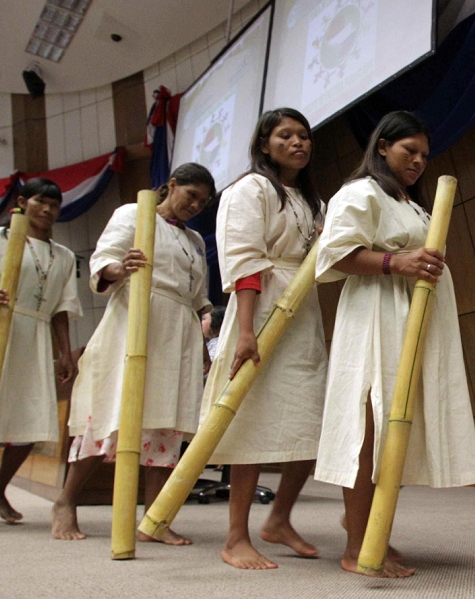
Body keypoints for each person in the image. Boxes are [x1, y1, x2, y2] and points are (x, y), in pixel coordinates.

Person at [315, 111, 475, 578]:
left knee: (399, 427)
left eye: (425, 155)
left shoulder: (413, 204)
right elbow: (339, 255)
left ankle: (375, 530)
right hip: (375, 313)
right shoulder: (359, 192)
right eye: (409, 151)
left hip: (413, 316)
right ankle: (356, 545)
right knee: (368, 425)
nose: (418, 161)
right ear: (382, 146)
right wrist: (397, 262)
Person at [51, 163, 215, 543]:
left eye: (203, 202)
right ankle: (66, 501)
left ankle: (153, 518)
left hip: (180, 332)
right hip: (136, 321)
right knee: (114, 413)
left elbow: (199, 295)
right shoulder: (134, 213)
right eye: (191, 195)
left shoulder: (193, 240)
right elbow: (102, 260)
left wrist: (205, 333)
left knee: (166, 423)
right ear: (172, 185)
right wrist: (118, 268)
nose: (195, 206)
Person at [203, 107, 327, 570]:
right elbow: (243, 260)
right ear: (263, 144)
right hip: (260, 308)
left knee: (308, 419)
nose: (298, 143)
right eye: (285, 135)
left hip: (303, 314)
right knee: (250, 422)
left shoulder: (315, 200)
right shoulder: (248, 189)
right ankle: (235, 536)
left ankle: (279, 519)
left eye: (304, 136)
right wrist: (246, 332)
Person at [0, 178, 82, 523]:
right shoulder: (2, 240)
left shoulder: (63, 256)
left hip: (35, 337)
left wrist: (64, 353)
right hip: (3, 327)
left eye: (54, 205)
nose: (48, 210)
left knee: (31, 422)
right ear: (21, 202)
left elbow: (62, 308)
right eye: (40, 202)